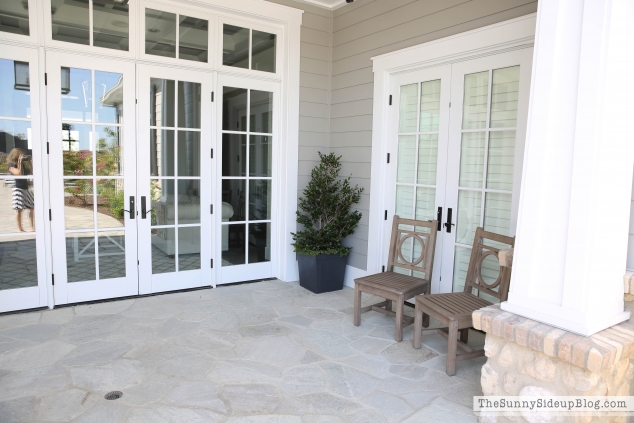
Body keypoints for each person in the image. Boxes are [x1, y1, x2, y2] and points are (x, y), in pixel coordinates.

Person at [7, 148, 34, 232]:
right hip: (18, 188)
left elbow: (31, 173)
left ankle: (32, 227)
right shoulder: (11, 165)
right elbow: (19, 174)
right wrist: (19, 162)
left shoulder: (23, 165)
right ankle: (20, 229)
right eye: (19, 155)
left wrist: (30, 164)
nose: (21, 156)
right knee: (19, 209)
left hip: (26, 188)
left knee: (32, 207)